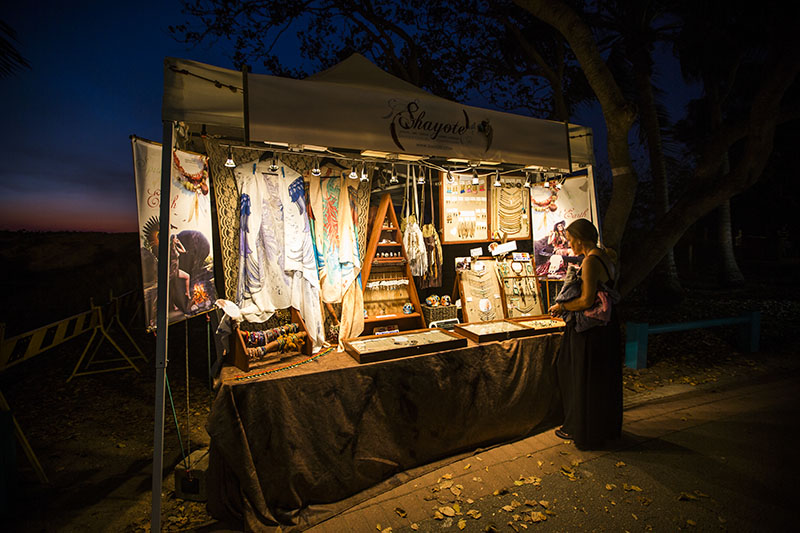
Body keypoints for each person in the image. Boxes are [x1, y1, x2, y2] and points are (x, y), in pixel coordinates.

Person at [548, 219, 622, 449]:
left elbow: (586, 300)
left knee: (582, 378)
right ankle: (602, 428)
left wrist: (563, 307)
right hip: (606, 329)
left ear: (580, 239)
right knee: (600, 380)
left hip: (589, 332)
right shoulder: (607, 258)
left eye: (570, 240)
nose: (569, 245)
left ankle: (584, 430)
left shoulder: (591, 261)